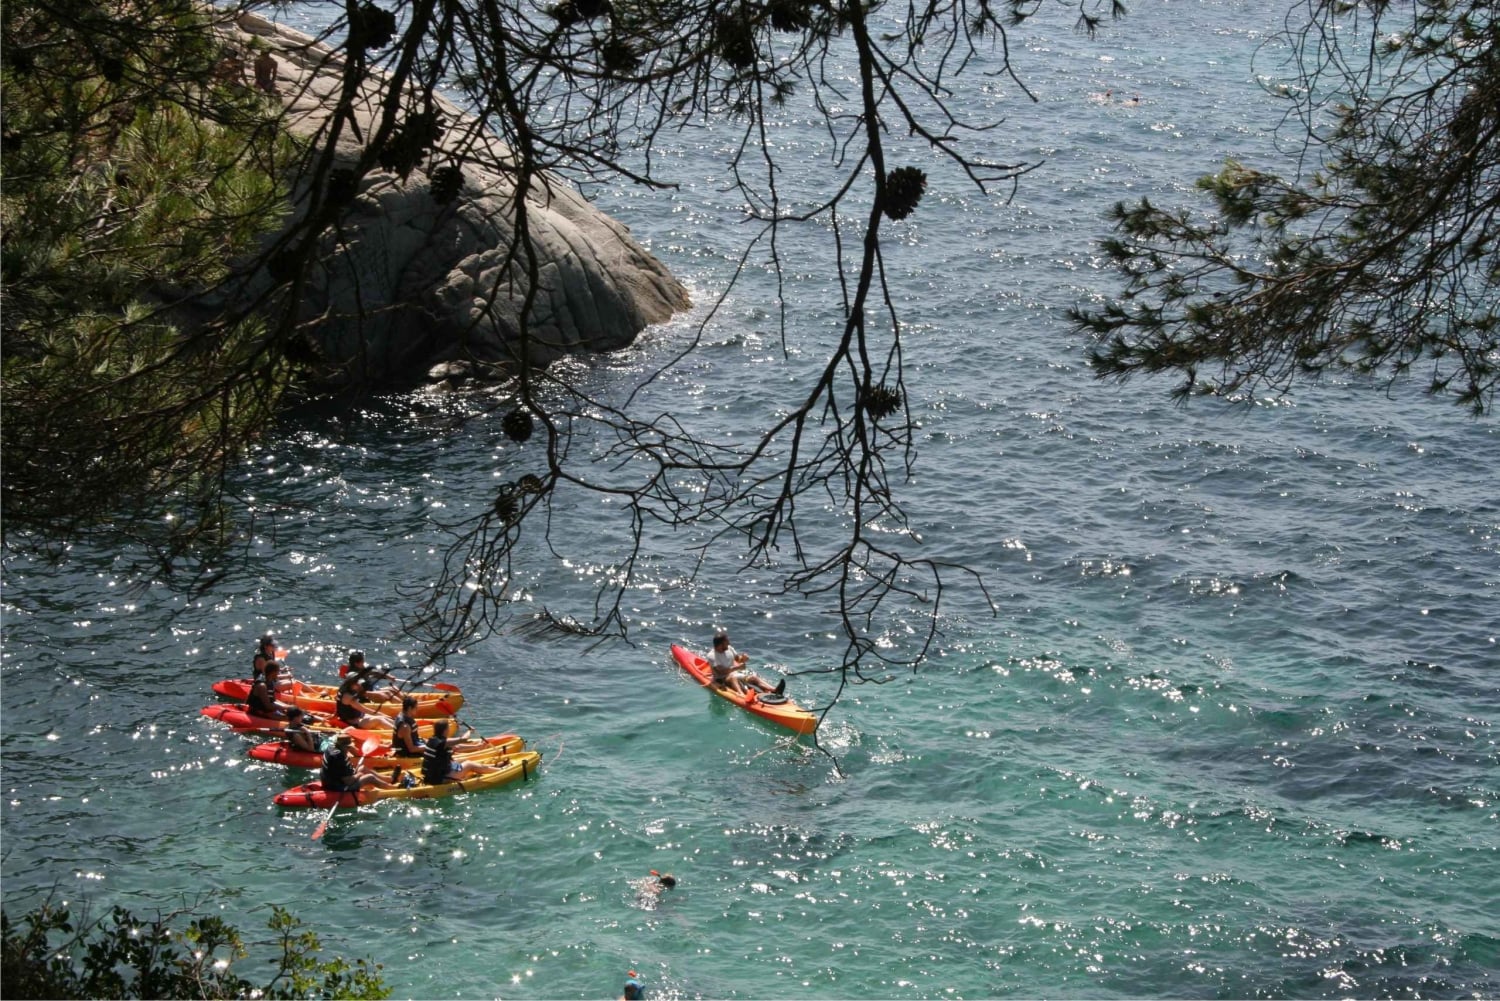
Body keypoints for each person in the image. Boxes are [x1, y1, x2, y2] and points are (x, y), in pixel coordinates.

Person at [320, 732, 408, 792]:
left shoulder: (331, 748)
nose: (349, 749)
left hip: (333, 780)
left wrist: (358, 773)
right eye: (348, 747)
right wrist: (359, 774)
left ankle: (390, 779)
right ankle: (392, 788)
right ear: (343, 747)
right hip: (338, 786)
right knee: (369, 777)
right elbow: (348, 781)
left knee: (362, 768)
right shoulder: (338, 757)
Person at [707, 631, 783, 698]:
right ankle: (741, 695)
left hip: (735, 674)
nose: (729, 643)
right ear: (720, 644)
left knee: (754, 678)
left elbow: (738, 659)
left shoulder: (729, 648)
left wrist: (743, 658)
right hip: (722, 679)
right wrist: (737, 667)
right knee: (733, 677)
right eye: (726, 642)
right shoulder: (712, 655)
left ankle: (774, 690)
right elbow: (721, 671)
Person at [420, 720, 498, 785]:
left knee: (463, 760)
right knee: (469, 764)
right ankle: (499, 770)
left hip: (430, 776)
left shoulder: (432, 740)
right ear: (445, 730)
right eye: (448, 728)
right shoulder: (443, 742)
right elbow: (463, 739)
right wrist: (469, 731)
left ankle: (491, 766)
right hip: (440, 778)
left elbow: (457, 747)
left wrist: (477, 746)